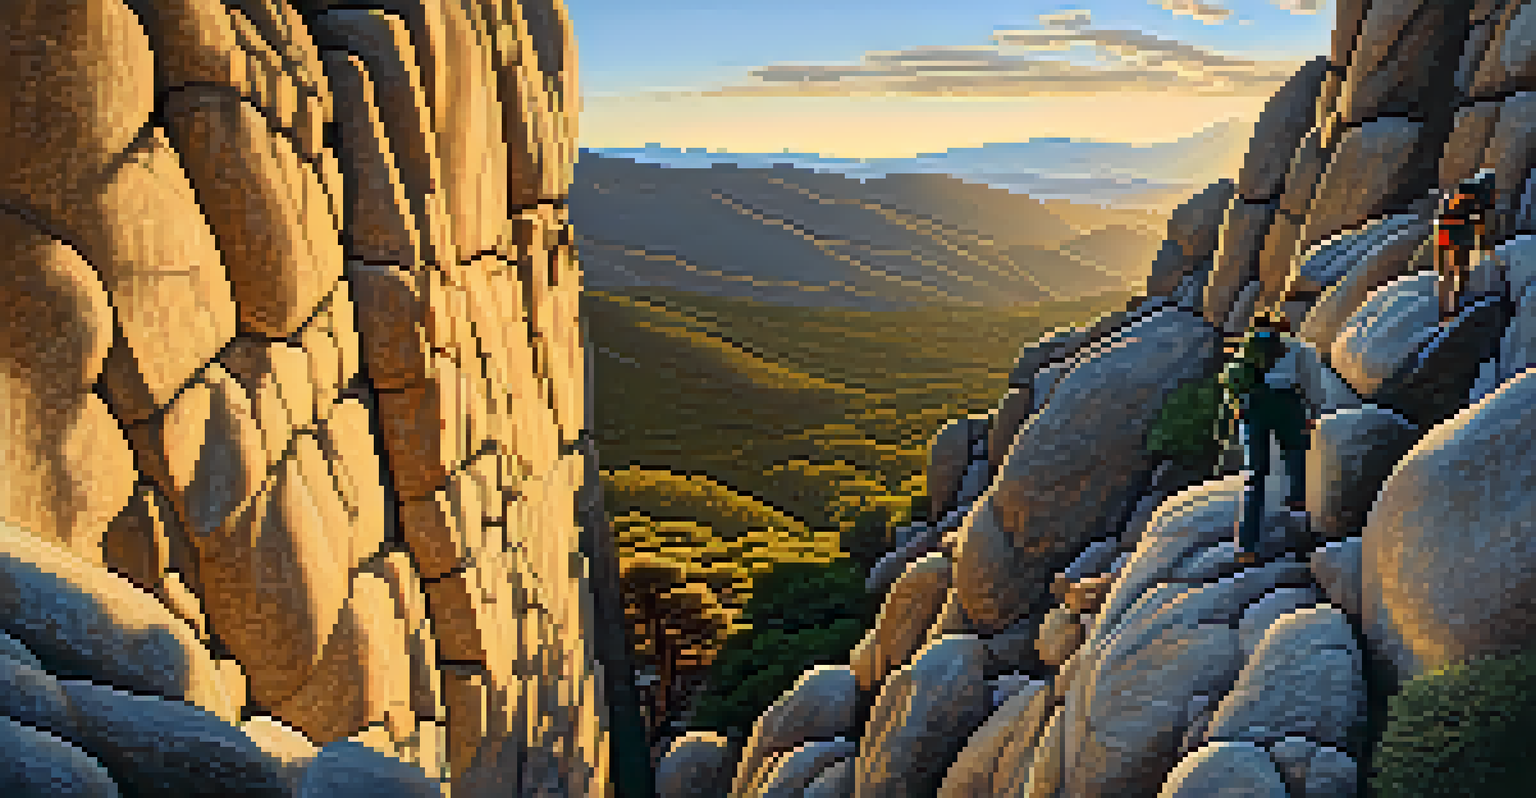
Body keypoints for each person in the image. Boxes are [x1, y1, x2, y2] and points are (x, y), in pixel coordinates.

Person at [1219, 311, 1315, 565]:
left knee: (1254, 476)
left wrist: (1238, 408)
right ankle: (1300, 539)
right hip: (1287, 404)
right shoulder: (1294, 347)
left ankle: (1247, 547)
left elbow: (1233, 383)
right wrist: (1312, 412)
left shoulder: (1246, 348)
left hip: (1253, 407)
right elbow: (1309, 383)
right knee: (1296, 462)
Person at [1435, 169, 1495, 322]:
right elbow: (1480, 218)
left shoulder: (1466, 187)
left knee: (1447, 270)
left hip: (1445, 225)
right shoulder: (1482, 191)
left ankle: (1446, 309)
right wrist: (1484, 246)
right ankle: (1455, 307)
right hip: (1457, 226)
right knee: (1460, 269)